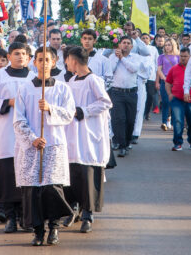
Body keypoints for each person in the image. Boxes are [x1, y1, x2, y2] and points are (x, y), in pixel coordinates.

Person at [14, 47, 75, 246]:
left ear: (54, 62)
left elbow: (69, 114)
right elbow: (18, 119)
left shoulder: (62, 88)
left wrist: (50, 109)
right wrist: (32, 138)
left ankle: (54, 228)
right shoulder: (25, 88)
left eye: (47, 59)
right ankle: (38, 231)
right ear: (34, 62)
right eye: (40, 59)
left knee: (52, 188)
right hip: (32, 146)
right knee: (33, 190)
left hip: (54, 144)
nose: (44, 63)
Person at [0, 43, 34, 232]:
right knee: (7, 176)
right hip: (4, 132)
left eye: (24, 54)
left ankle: (24, 216)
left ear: (28, 58)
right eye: (16, 54)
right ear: (9, 56)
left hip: (27, 132)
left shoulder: (35, 78)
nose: (20, 57)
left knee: (26, 174)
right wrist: (9, 102)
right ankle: (10, 216)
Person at [63, 46, 112, 233]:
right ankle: (73, 208)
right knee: (73, 171)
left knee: (88, 173)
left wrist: (84, 110)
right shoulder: (72, 80)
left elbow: (106, 102)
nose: (66, 63)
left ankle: (88, 213)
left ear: (73, 60)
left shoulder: (94, 80)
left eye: (67, 60)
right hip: (72, 132)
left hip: (90, 133)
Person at [109, 37, 140, 155]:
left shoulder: (135, 57)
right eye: (123, 43)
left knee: (130, 120)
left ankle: (126, 143)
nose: (126, 45)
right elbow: (110, 70)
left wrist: (122, 58)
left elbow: (133, 69)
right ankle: (121, 145)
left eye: (128, 43)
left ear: (131, 46)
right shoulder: (113, 57)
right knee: (119, 119)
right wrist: (117, 58)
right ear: (119, 45)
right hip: (117, 92)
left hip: (131, 93)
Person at [165, 48, 191, 151]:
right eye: (181, 56)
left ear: (190, 57)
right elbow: (168, 82)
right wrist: (169, 93)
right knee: (178, 120)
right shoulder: (174, 68)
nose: (182, 58)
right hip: (177, 99)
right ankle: (178, 143)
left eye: (185, 56)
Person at [156, 38, 180, 131]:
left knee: (174, 103)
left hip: (176, 82)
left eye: (169, 45)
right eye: (166, 45)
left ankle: (174, 123)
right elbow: (159, 70)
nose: (167, 47)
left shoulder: (178, 56)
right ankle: (164, 122)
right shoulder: (161, 57)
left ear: (173, 45)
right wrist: (165, 79)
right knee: (165, 102)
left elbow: (180, 69)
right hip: (165, 81)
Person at [142, 33, 159, 121]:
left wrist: (157, 79)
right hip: (140, 77)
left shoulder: (153, 49)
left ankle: (147, 111)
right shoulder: (138, 48)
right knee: (141, 96)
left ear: (149, 40)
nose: (145, 39)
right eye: (143, 38)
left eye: (146, 38)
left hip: (151, 76)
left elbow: (157, 64)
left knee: (150, 96)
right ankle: (141, 112)